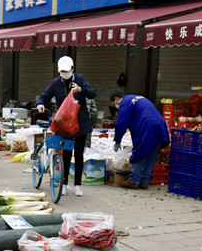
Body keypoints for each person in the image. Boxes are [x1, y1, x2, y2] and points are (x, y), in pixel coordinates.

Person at [36, 56, 96, 197]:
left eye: (66, 70)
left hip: (80, 123)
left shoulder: (80, 79)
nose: (64, 73)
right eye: (61, 71)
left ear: (73, 69)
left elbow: (93, 93)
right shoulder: (56, 83)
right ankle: (64, 184)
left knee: (79, 154)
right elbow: (44, 96)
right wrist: (40, 103)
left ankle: (77, 185)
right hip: (64, 123)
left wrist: (81, 90)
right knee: (66, 154)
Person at [109, 91, 170, 190]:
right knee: (152, 153)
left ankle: (134, 181)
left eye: (114, 104)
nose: (116, 106)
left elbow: (121, 123)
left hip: (147, 127)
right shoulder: (136, 98)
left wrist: (117, 140)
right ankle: (145, 181)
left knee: (139, 152)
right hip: (160, 126)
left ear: (117, 99)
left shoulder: (125, 103)